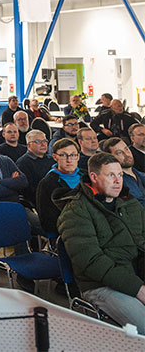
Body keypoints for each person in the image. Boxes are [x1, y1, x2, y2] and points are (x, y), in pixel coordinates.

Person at [57, 152, 145, 335]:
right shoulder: (75, 211)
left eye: (120, 175)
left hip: (136, 272)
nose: (117, 181)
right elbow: (91, 262)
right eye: (111, 175)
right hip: (100, 284)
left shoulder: (129, 203)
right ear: (94, 177)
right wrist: (137, 288)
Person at [36, 138, 81, 235]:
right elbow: (47, 219)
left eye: (73, 155)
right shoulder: (47, 183)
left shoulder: (86, 177)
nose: (69, 160)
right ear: (55, 157)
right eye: (63, 155)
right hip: (64, 232)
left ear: (78, 157)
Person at [102, 138, 145, 208]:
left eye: (126, 149)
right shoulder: (116, 183)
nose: (126, 154)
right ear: (111, 157)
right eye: (119, 152)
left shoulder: (141, 175)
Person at [15, 130, 54, 204]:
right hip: (38, 201)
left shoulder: (51, 160)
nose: (43, 144)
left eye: (45, 141)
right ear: (29, 145)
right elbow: (28, 191)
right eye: (38, 142)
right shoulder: (23, 163)